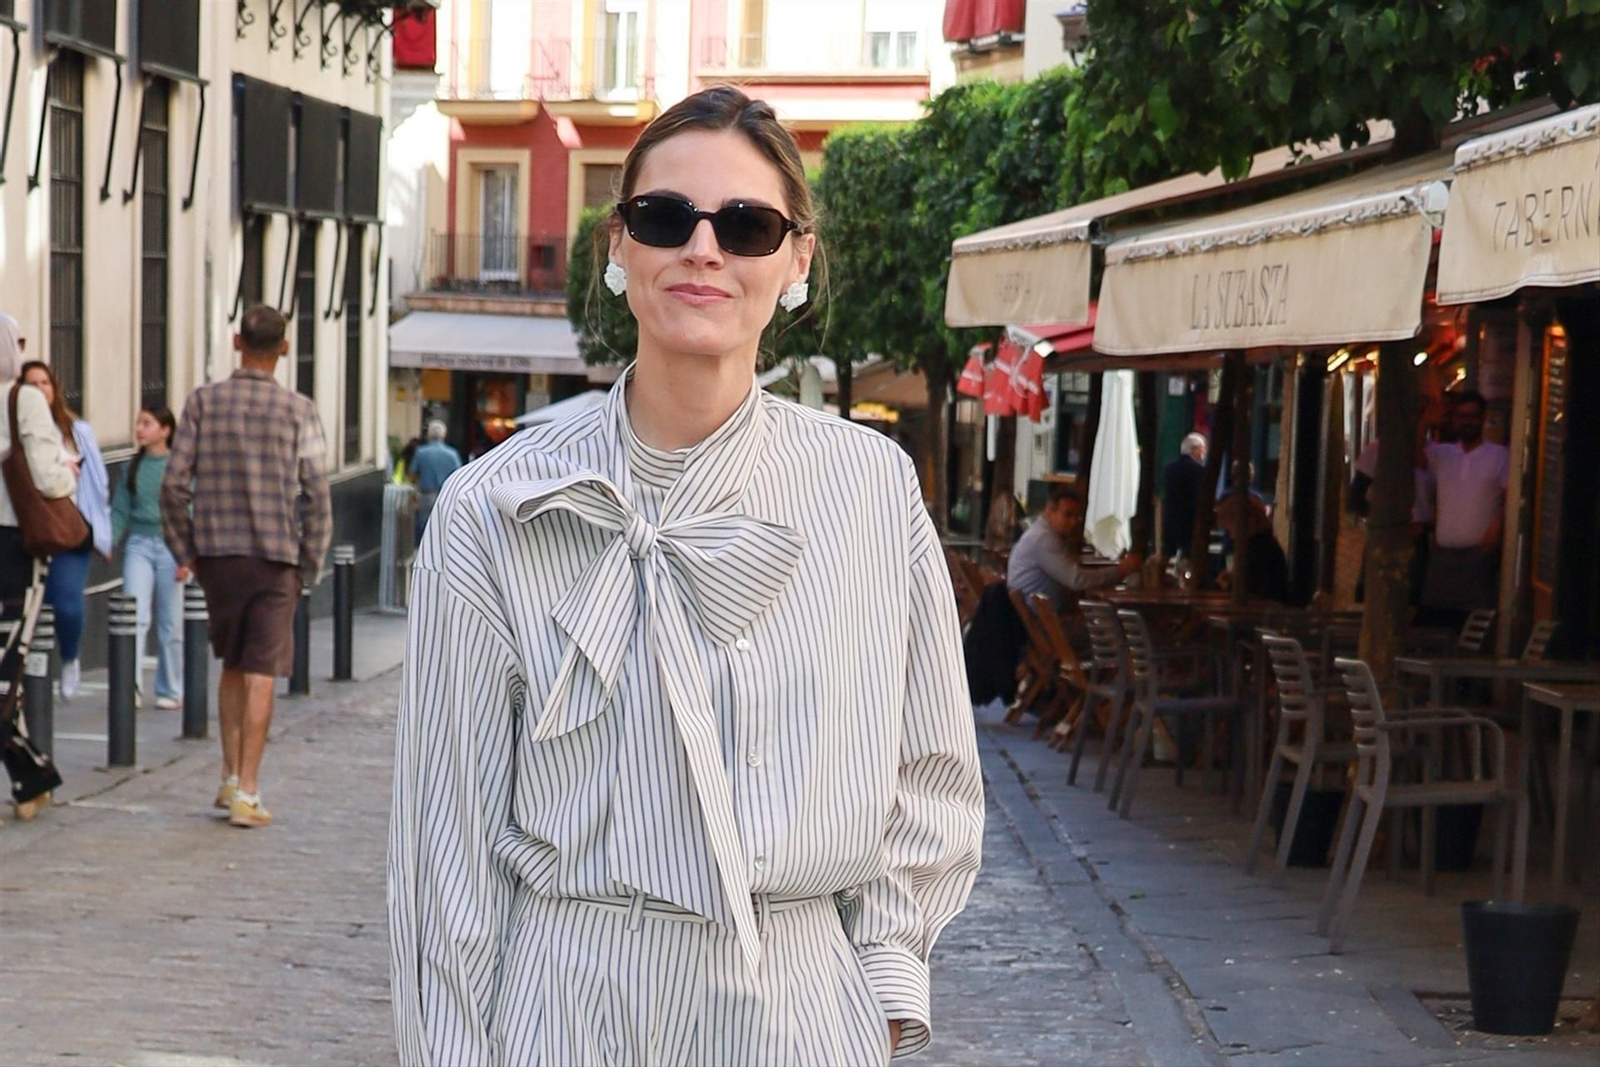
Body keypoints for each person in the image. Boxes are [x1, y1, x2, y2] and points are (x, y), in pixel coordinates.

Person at [388, 87, 983, 1065]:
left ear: (796, 260)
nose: (703, 249)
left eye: (746, 225)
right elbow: (444, 844)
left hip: (796, 1005)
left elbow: (926, 772)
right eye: (666, 217)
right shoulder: (491, 509)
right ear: (618, 247)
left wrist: (878, 985)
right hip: (564, 1002)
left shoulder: (868, 490)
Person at [160, 305, 331, 829]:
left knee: (232, 663)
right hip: (275, 554)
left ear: (238, 342)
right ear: (283, 348)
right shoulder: (298, 410)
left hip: (217, 553)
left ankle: (230, 775)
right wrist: (312, 562)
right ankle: (248, 792)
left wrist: (184, 547)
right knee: (261, 670)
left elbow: (173, 483)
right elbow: (317, 493)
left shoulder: (203, 403)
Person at [0, 315, 77, 820]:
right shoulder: (22, 398)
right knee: (6, 664)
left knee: (5, 668)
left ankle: (32, 778)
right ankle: (33, 774)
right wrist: (69, 476)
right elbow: (51, 479)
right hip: (14, 543)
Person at [19, 361, 110, 702]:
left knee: (68, 605)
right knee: (26, 609)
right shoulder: (14, 428)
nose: (40, 389)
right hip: (26, 531)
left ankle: (70, 657)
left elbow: (98, 484)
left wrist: (102, 531)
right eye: (32, 383)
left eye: (46, 382)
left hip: (71, 530)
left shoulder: (77, 430)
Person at [112, 406, 183, 710]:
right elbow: (120, 510)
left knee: (171, 622)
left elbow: (188, 511)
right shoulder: (131, 469)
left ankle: (170, 689)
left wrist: (187, 556)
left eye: (147, 423)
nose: (139, 429)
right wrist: (109, 542)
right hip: (138, 544)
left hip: (171, 546)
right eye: (138, 423)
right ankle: (131, 686)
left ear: (165, 430)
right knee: (135, 616)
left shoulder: (180, 467)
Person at [1420, 390, 1509, 624]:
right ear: (1453, 419)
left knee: (1473, 625)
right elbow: (1412, 455)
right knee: (1435, 623)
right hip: (1443, 556)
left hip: (1479, 557)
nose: (1467, 421)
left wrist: (1498, 525)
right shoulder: (1442, 454)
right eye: (1461, 416)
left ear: (1482, 418)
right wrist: (1426, 421)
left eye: (1473, 416)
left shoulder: (1499, 456)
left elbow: (1511, 497)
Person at [1008, 484, 1142, 611]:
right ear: (1049, 511)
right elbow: (1077, 580)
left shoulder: (1040, 533)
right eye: (1067, 515)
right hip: (1044, 623)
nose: (1073, 522)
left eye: (1077, 517)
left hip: (1039, 618)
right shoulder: (1043, 539)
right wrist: (1121, 570)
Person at [1216, 494, 1290, 603]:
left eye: (1231, 529)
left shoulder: (1260, 550)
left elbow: (1253, 592)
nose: (1231, 536)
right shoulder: (1262, 545)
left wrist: (1228, 584)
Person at [406, 419, 461, 540]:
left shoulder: (421, 452)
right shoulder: (452, 454)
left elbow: (412, 474)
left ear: (429, 435)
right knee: (444, 530)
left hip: (426, 496)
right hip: (447, 496)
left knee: (425, 530)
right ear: (444, 435)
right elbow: (459, 477)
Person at [1161, 432, 1207, 557]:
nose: (1204, 452)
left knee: (1166, 554)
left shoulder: (1169, 469)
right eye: (1202, 449)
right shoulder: (1198, 471)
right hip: (1189, 522)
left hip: (1170, 519)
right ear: (1195, 449)